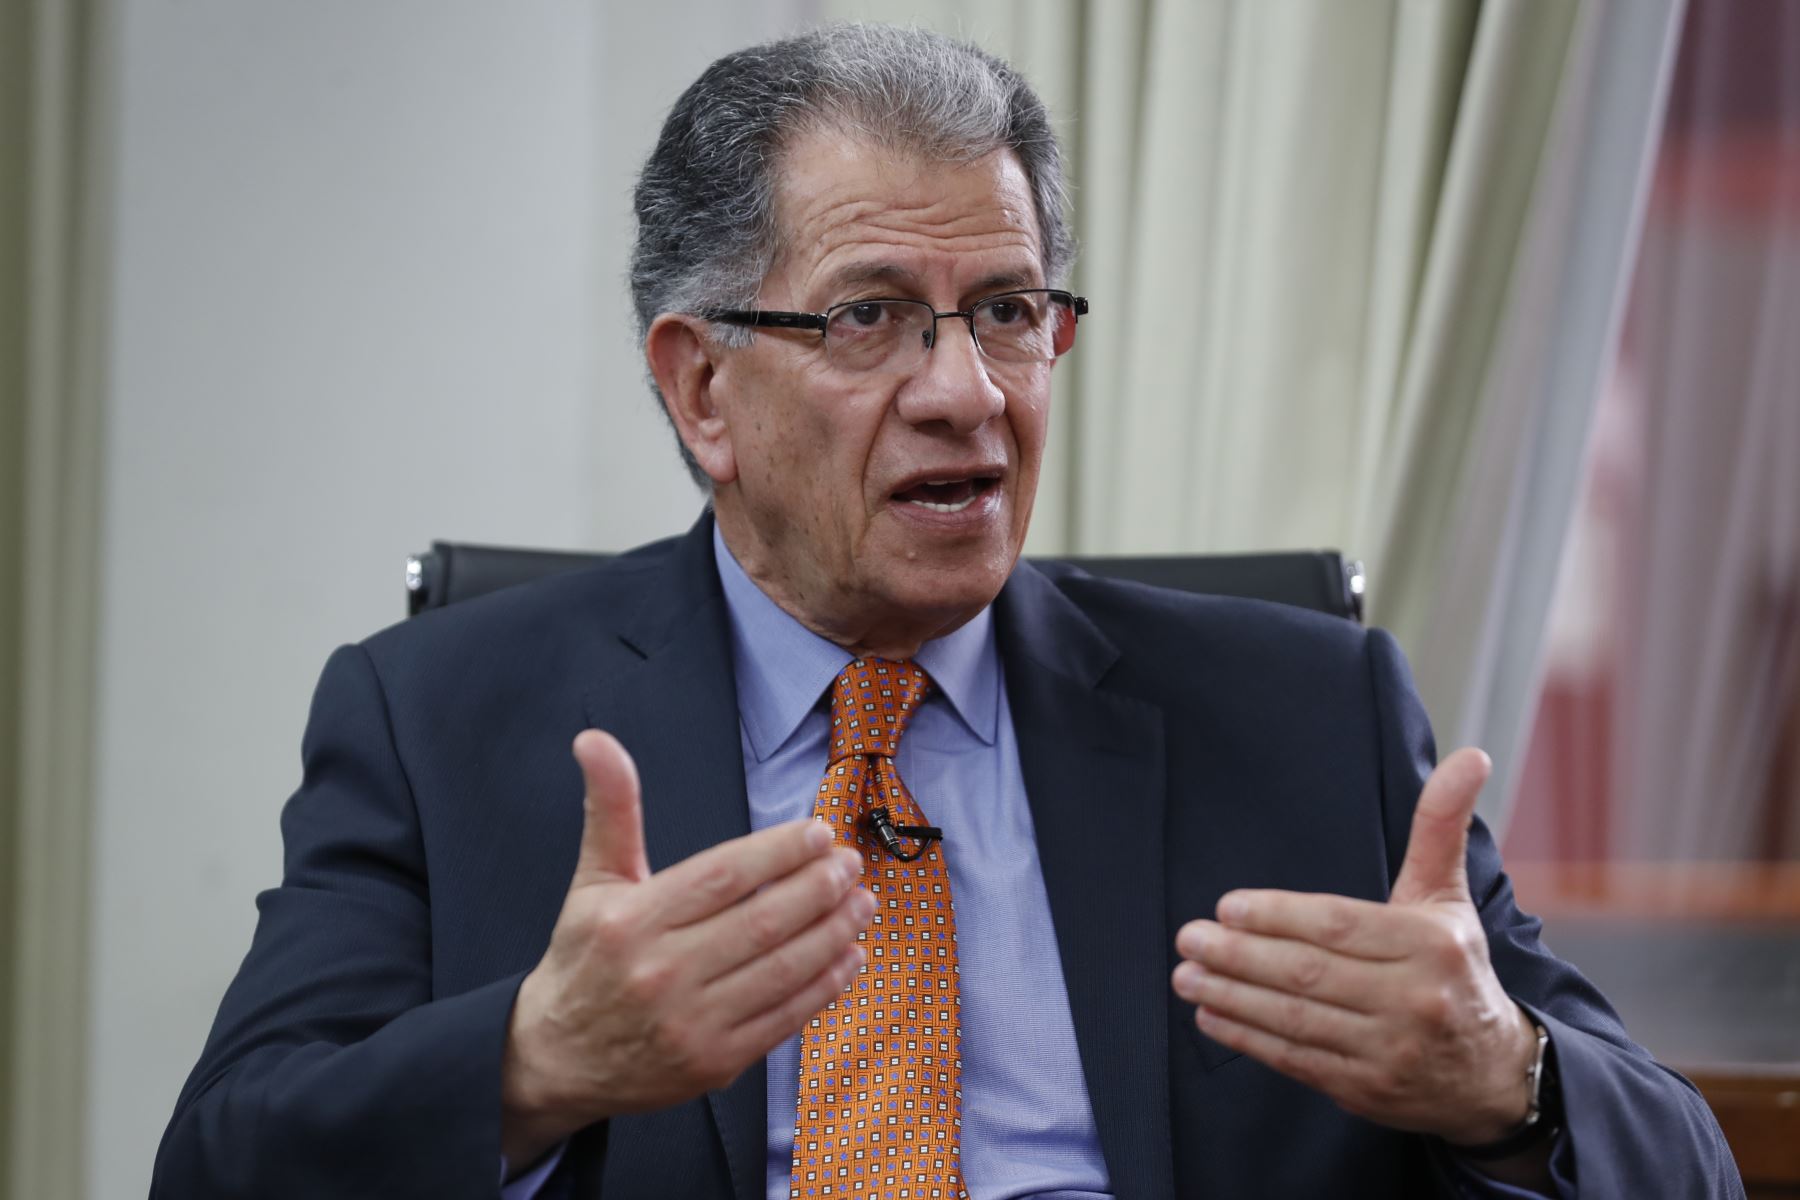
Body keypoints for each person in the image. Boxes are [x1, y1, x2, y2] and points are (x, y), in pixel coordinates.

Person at [152, 23, 1741, 1200]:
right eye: (872, 318)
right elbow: (223, 1165)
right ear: (701, 388)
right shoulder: (437, 720)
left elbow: (1687, 1167)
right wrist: (533, 1063)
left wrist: (1510, 1082)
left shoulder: (1309, 718)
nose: (968, 393)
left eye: (1007, 311)